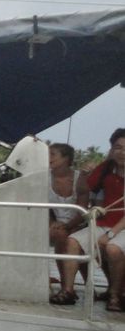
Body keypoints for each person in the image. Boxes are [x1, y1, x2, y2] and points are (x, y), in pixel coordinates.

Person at [60, 129, 125, 311]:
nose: (122, 152)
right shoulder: (105, 169)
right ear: (112, 149)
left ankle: (115, 295)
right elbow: (84, 190)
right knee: (72, 241)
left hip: (120, 226)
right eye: (118, 147)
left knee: (112, 248)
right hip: (104, 222)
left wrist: (111, 234)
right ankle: (68, 291)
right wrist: (83, 174)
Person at [47, 143, 89, 303]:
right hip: (54, 222)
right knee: (60, 235)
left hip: (78, 222)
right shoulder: (44, 178)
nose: (48, 158)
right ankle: (66, 287)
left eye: (52, 154)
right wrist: (53, 222)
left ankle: (68, 287)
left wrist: (70, 225)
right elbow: (44, 208)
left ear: (66, 159)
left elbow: (82, 209)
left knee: (65, 236)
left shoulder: (80, 179)